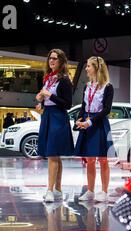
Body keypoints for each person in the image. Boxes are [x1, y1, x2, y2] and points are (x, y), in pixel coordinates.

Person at [74, 56, 115, 203]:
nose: (86, 69)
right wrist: (79, 119)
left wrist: (90, 122)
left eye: (89, 66)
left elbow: (106, 109)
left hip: (99, 123)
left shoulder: (108, 87)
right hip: (87, 122)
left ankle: (104, 191)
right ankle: (90, 191)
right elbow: (84, 107)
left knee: (103, 160)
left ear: (96, 68)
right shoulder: (87, 86)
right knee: (89, 160)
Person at [36, 49, 74, 203]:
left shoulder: (64, 80)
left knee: (53, 154)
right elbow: (45, 99)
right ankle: (57, 189)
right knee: (55, 156)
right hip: (48, 116)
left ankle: (50, 190)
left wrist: (49, 95)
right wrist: (41, 103)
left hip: (58, 118)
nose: (51, 61)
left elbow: (68, 104)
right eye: (50, 58)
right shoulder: (48, 79)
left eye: (54, 59)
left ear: (61, 61)